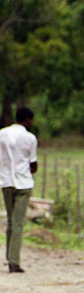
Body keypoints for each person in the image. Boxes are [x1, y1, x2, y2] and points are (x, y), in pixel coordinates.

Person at [0, 107, 38, 273]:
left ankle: (10, 257)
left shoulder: (1, 134)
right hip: (23, 183)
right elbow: (33, 164)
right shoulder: (30, 138)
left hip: (6, 181)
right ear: (27, 119)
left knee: (10, 220)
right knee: (18, 222)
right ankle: (14, 261)